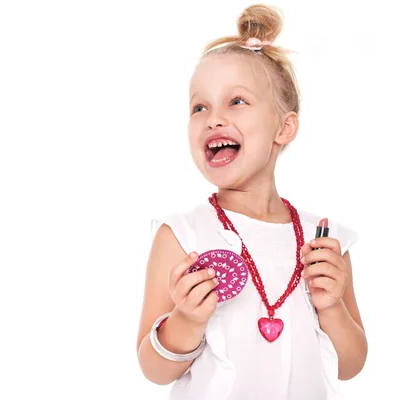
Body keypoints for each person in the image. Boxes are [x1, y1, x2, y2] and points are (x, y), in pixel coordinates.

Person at [136, 4, 367, 399]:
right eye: (199, 107)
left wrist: (331, 308)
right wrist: (186, 320)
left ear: (284, 127)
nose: (213, 119)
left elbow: (351, 365)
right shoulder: (182, 234)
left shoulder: (322, 241)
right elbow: (153, 370)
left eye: (236, 102)